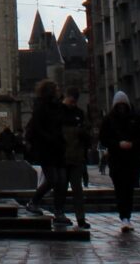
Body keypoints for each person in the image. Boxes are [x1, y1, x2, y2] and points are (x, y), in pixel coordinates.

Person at [98, 91, 140, 232]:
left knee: (129, 188)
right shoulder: (109, 119)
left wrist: (132, 144)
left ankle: (127, 216)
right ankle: (124, 216)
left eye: (123, 104)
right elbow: (104, 138)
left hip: (132, 159)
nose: (121, 107)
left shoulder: (135, 118)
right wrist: (117, 144)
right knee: (120, 188)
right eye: (119, 104)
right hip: (117, 159)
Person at [26, 80, 65, 221]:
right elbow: (37, 128)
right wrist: (50, 138)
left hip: (58, 149)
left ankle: (59, 211)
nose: (59, 90)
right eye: (56, 89)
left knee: (61, 180)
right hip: (46, 149)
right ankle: (33, 202)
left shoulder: (59, 106)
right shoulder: (41, 107)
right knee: (53, 179)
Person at [56, 89, 90, 230]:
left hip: (76, 157)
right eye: (71, 101)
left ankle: (80, 219)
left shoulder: (79, 114)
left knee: (78, 190)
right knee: (61, 188)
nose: (73, 104)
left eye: (74, 102)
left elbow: (85, 137)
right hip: (62, 158)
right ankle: (59, 214)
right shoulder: (58, 111)